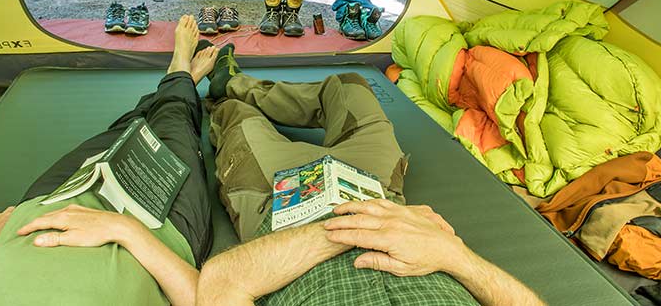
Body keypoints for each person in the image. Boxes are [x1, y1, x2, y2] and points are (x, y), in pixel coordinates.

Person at [196, 44, 545, 306]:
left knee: (237, 117)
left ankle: (228, 92)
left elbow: (222, 281)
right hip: (376, 191)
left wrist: (347, 233)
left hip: (282, 204)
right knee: (349, 87)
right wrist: (458, 258)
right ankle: (237, 82)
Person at [0, 16, 218, 306]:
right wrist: (125, 230)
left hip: (44, 210)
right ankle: (180, 75)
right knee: (174, 123)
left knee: (125, 131)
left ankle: (178, 79)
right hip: (156, 230)